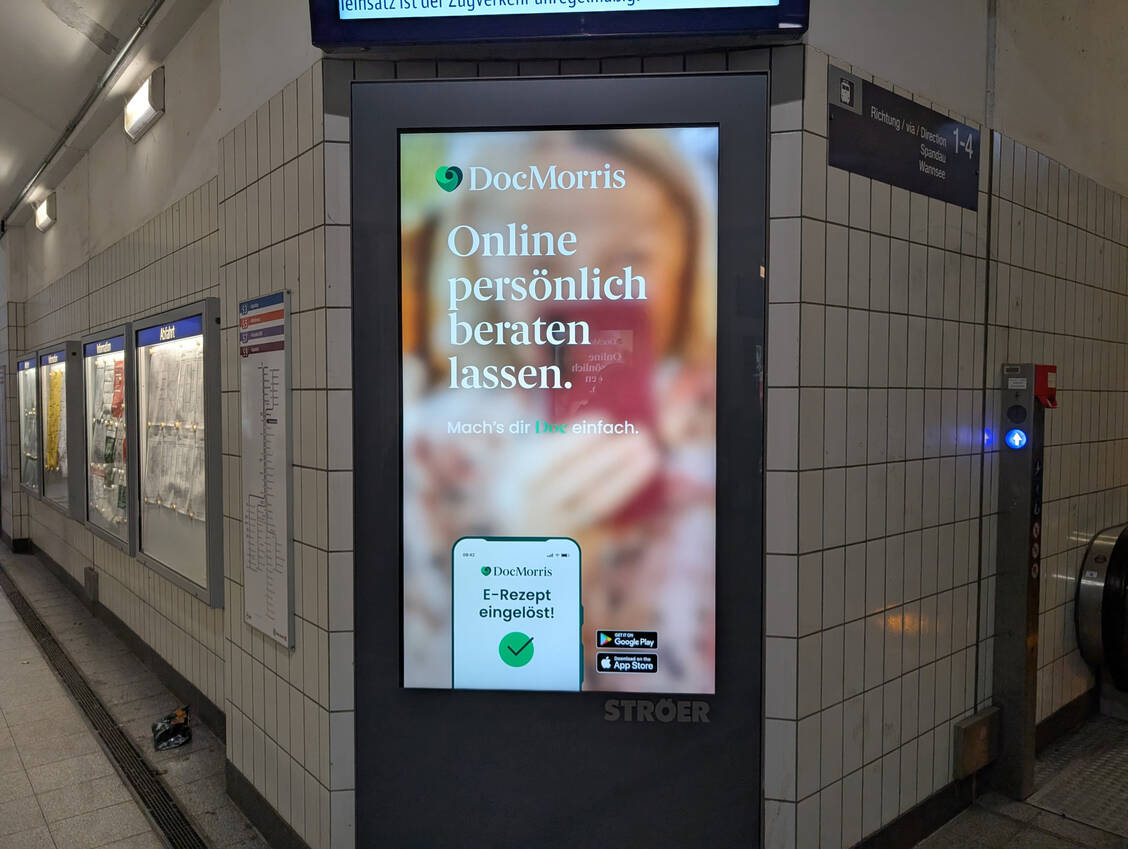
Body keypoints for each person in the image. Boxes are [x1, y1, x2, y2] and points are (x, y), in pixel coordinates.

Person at [401, 127, 718, 693]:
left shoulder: (732, 422)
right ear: (486, 279)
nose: (585, 298)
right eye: (540, 269)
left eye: (628, 260)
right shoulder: (434, 452)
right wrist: (532, 559)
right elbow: (432, 683)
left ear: (689, 255)